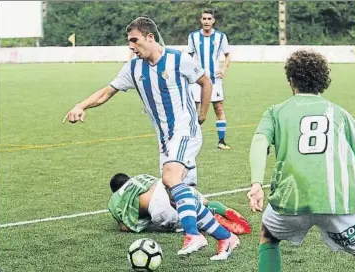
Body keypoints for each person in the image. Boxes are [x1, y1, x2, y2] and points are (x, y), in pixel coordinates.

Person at [63, 17, 239, 257]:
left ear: (149, 37)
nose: (131, 46)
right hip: (165, 138)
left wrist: (201, 115)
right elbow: (106, 92)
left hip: (185, 130)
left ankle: (193, 235)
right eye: (129, 41)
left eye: (134, 40)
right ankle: (226, 237)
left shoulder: (178, 59)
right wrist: (80, 105)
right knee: (176, 197)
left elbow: (205, 82)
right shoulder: (133, 68)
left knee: (170, 177)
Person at [247, 50, 355, 272]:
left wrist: (256, 183)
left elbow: (259, 142)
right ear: (322, 81)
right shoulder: (340, 114)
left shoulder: (275, 112)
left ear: (291, 80)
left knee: (268, 236)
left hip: (290, 199)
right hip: (336, 201)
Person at [108, 173, 251, 236]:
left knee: (192, 220)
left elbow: (125, 227)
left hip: (156, 205)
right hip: (169, 186)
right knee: (202, 203)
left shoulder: (115, 199)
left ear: (115, 190)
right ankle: (221, 210)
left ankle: (214, 219)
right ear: (129, 178)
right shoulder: (139, 177)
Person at [187, 9, 232, 150]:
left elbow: (228, 55)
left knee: (218, 108)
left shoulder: (220, 37)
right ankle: (190, 139)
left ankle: (221, 141)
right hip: (197, 80)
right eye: (204, 19)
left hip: (214, 80)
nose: (206, 21)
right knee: (193, 109)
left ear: (213, 21)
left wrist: (223, 69)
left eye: (209, 19)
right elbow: (188, 56)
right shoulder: (193, 37)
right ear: (201, 21)